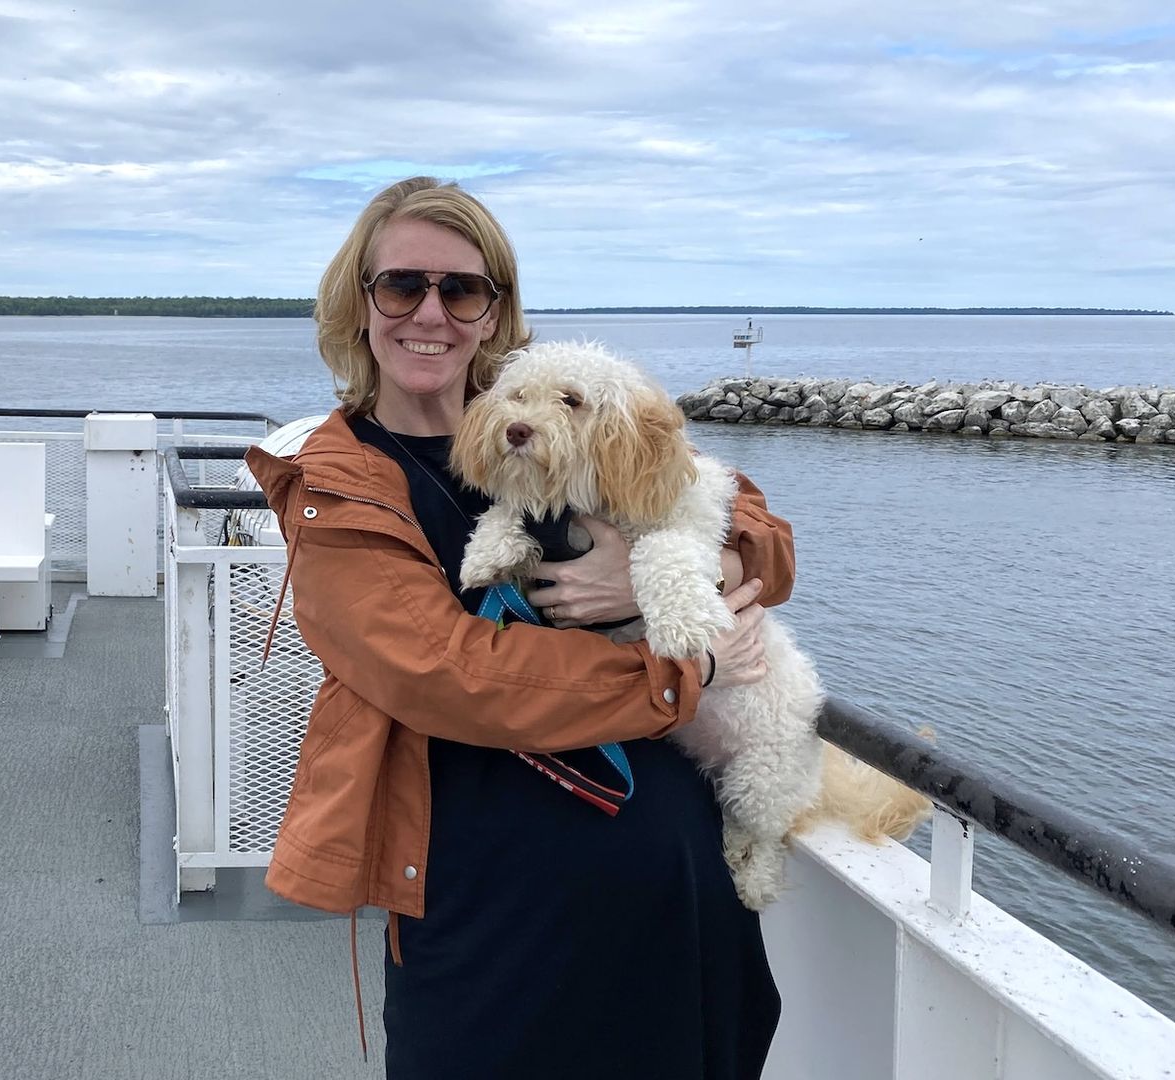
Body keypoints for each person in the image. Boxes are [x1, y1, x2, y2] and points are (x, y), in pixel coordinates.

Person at [244, 176, 798, 1078]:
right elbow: (446, 672)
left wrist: (669, 578)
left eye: (461, 289)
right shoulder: (339, 485)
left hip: (665, 868)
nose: (430, 313)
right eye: (401, 286)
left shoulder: (566, 417)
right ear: (359, 303)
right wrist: (678, 672)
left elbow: (759, 532)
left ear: (495, 312)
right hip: (484, 896)